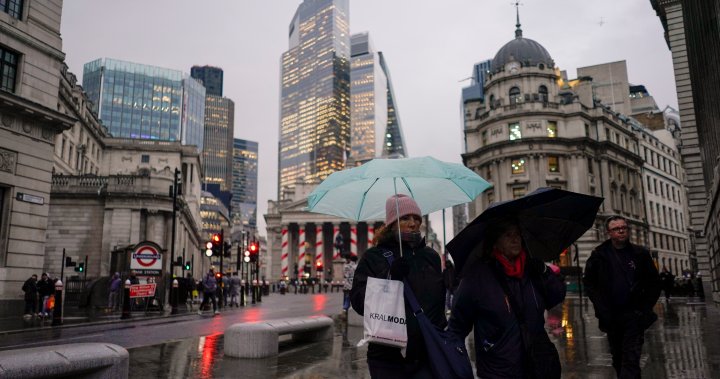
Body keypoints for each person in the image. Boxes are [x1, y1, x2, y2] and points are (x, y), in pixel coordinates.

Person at [448, 219, 566, 378]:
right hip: (499, 369)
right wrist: (457, 365)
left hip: (537, 365)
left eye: (517, 234)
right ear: (495, 243)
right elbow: (457, 327)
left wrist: (544, 271)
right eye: (508, 235)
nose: (515, 239)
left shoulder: (532, 270)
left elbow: (557, 295)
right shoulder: (476, 277)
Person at [350, 194, 447, 378]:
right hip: (387, 356)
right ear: (392, 223)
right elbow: (358, 302)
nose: (413, 223)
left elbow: (437, 305)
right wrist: (389, 279)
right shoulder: (374, 257)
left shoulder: (431, 256)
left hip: (427, 352)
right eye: (405, 218)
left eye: (416, 218)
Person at [584, 215, 660, 379]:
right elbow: (589, 284)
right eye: (616, 229)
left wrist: (645, 308)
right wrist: (601, 308)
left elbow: (654, 283)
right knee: (618, 358)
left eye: (623, 228)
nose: (621, 231)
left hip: (634, 315)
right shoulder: (599, 255)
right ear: (608, 232)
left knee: (631, 358)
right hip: (611, 317)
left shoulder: (640, 254)